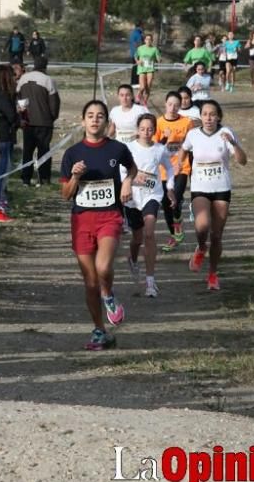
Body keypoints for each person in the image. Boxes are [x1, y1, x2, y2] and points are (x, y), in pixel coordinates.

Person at [60, 100, 137, 349]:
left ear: (107, 122)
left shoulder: (117, 149)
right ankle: (99, 330)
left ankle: (108, 294)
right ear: (83, 121)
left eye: (100, 116)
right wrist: (75, 176)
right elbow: (65, 194)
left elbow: (132, 168)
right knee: (90, 281)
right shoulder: (72, 154)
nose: (95, 120)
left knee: (103, 267)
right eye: (90, 115)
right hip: (82, 219)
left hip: (109, 216)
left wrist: (127, 182)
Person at [179, 100, 247, 291]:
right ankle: (201, 247)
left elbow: (243, 161)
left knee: (217, 236)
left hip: (221, 188)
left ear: (218, 116)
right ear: (200, 116)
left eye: (212, 114)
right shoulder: (193, 134)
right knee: (202, 226)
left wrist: (233, 143)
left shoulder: (226, 133)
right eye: (205, 114)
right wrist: (179, 165)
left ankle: (213, 273)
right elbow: (184, 149)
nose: (209, 118)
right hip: (200, 187)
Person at [125, 113, 175, 297]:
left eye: (150, 129)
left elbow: (170, 168)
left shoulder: (160, 149)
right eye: (143, 129)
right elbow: (120, 169)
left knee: (149, 233)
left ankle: (150, 281)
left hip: (152, 195)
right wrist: (128, 180)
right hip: (132, 197)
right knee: (137, 238)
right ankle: (132, 259)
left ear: (155, 130)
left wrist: (169, 187)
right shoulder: (128, 148)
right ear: (137, 130)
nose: (146, 132)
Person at [155, 90, 197, 252]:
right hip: (163, 170)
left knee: (175, 198)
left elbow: (191, 146)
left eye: (176, 105)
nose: (173, 108)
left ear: (180, 107)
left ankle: (178, 216)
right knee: (166, 204)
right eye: (170, 104)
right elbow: (154, 148)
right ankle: (174, 234)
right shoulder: (158, 123)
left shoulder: (186, 123)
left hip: (181, 168)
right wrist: (164, 138)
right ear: (165, 104)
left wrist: (191, 167)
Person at [17, 60, 60, 187]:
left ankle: (26, 178)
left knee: (27, 151)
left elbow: (19, 98)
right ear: (45, 67)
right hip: (44, 122)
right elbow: (54, 103)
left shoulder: (23, 79)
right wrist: (51, 117)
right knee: (44, 151)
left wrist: (22, 117)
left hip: (28, 121)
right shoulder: (48, 80)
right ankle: (44, 178)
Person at [0, 65, 18, 223]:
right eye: (12, 76)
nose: (15, 79)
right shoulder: (2, 96)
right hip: (3, 137)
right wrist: (19, 116)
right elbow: (11, 115)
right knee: (0, 174)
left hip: (3, 136)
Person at [134, 34, 160, 107]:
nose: (148, 41)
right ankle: (138, 96)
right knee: (142, 87)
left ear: (152, 41)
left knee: (148, 86)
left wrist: (159, 59)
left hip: (150, 69)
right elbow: (135, 56)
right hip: (142, 68)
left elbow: (158, 58)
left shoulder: (154, 49)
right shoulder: (140, 48)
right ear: (145, 40)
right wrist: (137, 61)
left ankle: (145, 102)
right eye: (147, 39)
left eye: (150, 39)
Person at [128, 22, 143, 87]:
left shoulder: (133, 33)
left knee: (135, 68)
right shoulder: (137, 34)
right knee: (137, 68)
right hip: (137, 54)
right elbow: (138, 44)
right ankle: (135, 83)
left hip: (133, 53)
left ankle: (134, 83)